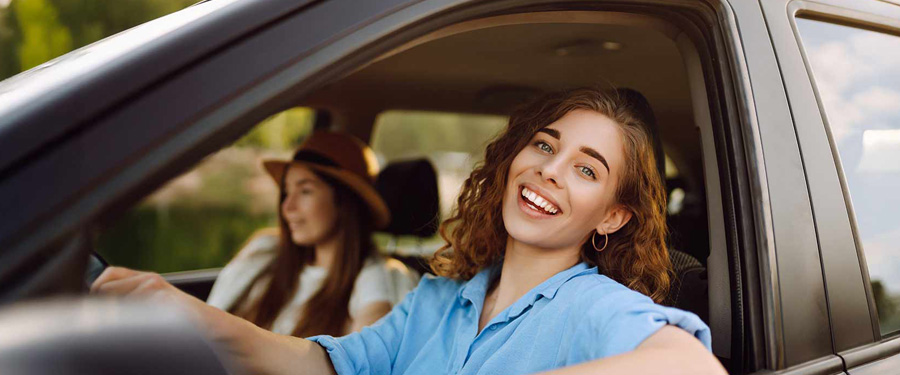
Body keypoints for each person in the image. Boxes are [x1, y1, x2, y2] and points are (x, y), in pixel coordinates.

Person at [92, 88, 726, 375]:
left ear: (612, 216)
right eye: (544, 145)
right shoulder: (439, 300)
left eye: (586, 169)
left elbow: (689, 367)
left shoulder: (593, 306)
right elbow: (327, 364)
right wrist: (188, 316)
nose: (550, 170)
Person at [208, 130, 418, 337]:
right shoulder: (266, 252)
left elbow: (367, 353)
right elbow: (209, 323)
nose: (287, 207)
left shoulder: (377, 277)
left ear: (345, 202)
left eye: (305, 191)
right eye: (286, 192)